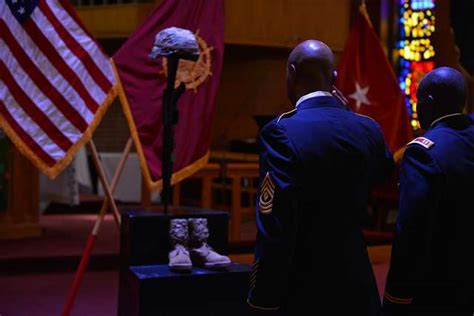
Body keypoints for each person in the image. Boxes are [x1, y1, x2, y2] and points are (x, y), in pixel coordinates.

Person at [247, 40, 394, 315]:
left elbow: (275, 227)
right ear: (334, 78)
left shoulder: (281, 132)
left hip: (303, 287)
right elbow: (383, 170)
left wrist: (262, 300)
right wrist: (347, 115)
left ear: (291, 72)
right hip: (358, 284)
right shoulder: (367, 128)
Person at [383, 67, 474, 315]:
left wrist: (396, 299)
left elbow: (412, 232)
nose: (416, 108)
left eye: (417, 101)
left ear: (429, 103)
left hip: (439, 289)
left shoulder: (423, 152)